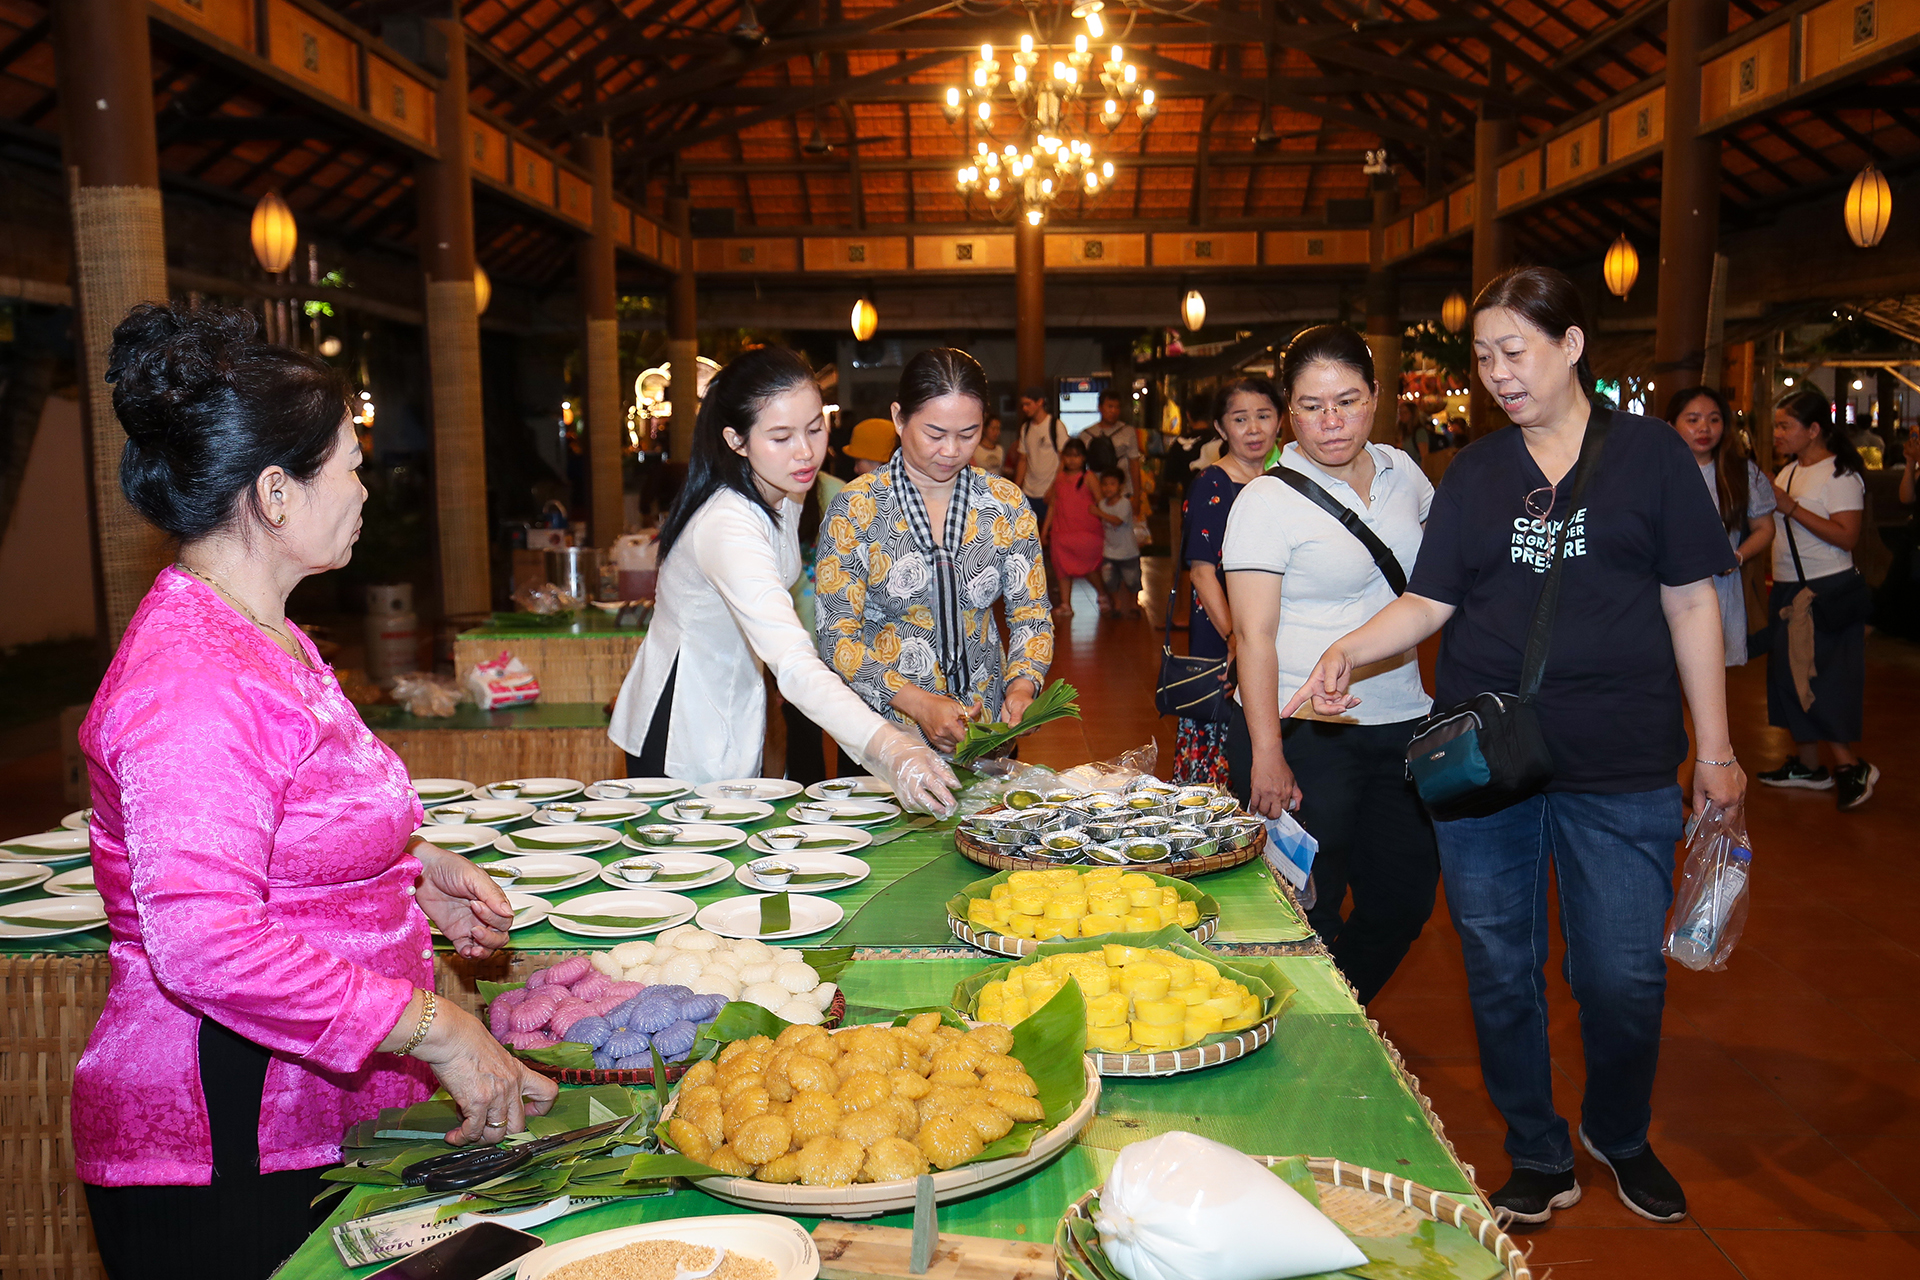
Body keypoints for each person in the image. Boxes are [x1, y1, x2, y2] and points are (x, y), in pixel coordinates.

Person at [74, 302, 559, 1280]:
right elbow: (204, 940)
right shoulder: (192, 682)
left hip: (313, 1108)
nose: (365, 485)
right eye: (348, 460)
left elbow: (289, 820)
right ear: (276, 493)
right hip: (224, 1136)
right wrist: (440, 1025)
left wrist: (407, 867)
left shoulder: (264, 630)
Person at [1285, 266, 1743, 1227]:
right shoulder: (1479, 473)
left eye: (1515, 351)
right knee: (1498, 962)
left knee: (1620, 972)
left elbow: (1693, 599)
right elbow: (1432, 599)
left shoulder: (1654, 458)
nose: (1498, 373)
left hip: (1620, 758)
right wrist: (1348, 650)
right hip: (1484, 760)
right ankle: (1535, 1148)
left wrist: (1716, 750)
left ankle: (1618, 1131)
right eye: (1485, 356)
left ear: (1572, 346)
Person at [606, 347, 955, 811]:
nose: (806, 451)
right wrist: (891, 748)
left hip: (731, 705)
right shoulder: (727, 523)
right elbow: (792, 661)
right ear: (736, 440)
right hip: (681, 729)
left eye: (814, 428)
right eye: (781, 436)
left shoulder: (783, 490)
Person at [1223, 325, 1438, 1006]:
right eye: (1312, 406)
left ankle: (1336, 1010)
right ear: (1291, 410)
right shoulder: (1266, 501)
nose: (1332, 421)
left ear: (1377, 397)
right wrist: (1266, 752)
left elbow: (1437, 584)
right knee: (1306, 904)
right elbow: (1254, 636)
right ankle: (1312, 1030)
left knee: (1403, 899)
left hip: (1402, 720)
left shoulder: (1406, 475)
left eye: (1347, 400)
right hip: (1303, 729)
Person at [815, 348, 1054, 751]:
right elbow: (835, 635)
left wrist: (1022, 685)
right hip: (888, 737)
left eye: (968, 434)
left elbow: (1031, 613)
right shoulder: (858, 507)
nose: (951, 451)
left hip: (987, 733)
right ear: (898, 417)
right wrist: (920, 705)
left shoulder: (1005, 504)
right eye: (935, 434)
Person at [1756, 390, 1877, 809]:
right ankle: (1809, 765)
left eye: (1785, 425)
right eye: (1777, 425)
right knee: (1788, 679)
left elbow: (1846, 536)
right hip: (1790, 588)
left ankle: (1848, 764)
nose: (1777, 433)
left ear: (1813, 430)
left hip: (1827, 590)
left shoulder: (1839, 475)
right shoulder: (1788, 472)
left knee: (1821, 680)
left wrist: (1789, 507)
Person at [1171, 378, 1283, 786]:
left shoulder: (1288, 480)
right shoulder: (1211, 485)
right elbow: (1201, 572)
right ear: (1221, 428)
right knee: (1225, 751)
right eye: (1240, 419)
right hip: (1223, 634)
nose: (1253, 429)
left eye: (1263, 416)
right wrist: (1236, 636)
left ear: (1280, 421)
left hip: (1280, 627)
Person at [1665, 386, 1775, 666]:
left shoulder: (1741, 471)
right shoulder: (1656, 471)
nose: (1705, 428)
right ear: (1670, 425)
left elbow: (1765, 528)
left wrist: (1737, 556)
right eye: (1693, 420)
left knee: (1708, 672)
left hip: (1719, 590)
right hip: (1664, 587)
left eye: (1714, 419)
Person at [1042, 437, 1106, 620]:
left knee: (1090, 567)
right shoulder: (1060, 478)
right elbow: (1052, 503)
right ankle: (1065, 603)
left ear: (1084, 458)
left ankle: (1102, 594)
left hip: (1086, 531)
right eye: (1068, 456)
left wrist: (1105, 520)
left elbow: (1101, 503)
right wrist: (1045, 530)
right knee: (1061, 568)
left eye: (1076, 456)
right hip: (1062, 531)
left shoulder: (1089, 477)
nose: (1072, 460)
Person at [1082, 391, 1147, 517]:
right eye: (1110, 406)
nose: (1114, 411)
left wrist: (1137, 497)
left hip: (1123, 493)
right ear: (1100, 408)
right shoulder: (1085, 435)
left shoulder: (1128, 432)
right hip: (1095, 495)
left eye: (1117, 407)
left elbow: (1134, 464)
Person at [1011, 386, 1061, 527]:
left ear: (1039, 402)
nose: (1025, 408)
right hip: (1029, 491)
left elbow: (1063, 461)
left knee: (1049, 532)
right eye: (1023, 405)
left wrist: (1054, 488)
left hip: (1048, 491)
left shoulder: (1055, 426)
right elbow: (1023, 460)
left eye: (1028, 404)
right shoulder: (1026, 428)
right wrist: (1016, 489)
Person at [1096, 468, 1143, 618]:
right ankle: (1116, 604)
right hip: (1109, 550)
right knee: (1109, 579)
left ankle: (1134, 604)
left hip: (1128, 551)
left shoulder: (1124, 504)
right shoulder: (1102, 504)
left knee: (1132, 579)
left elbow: (1117, 521)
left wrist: (1099, 513)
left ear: (1120, 486)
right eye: (1104, 484)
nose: (1108, 488)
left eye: (1112, 484)